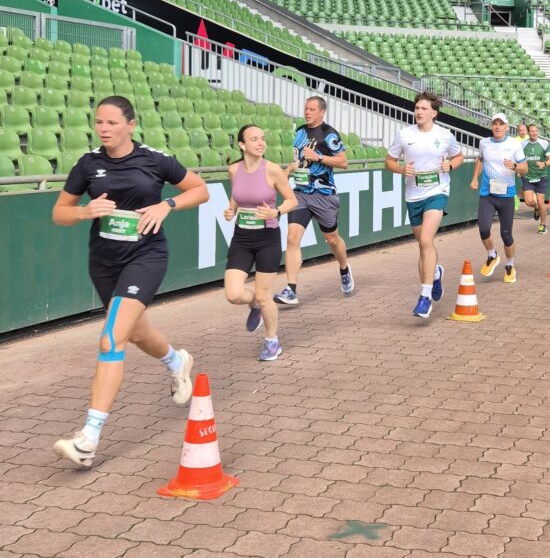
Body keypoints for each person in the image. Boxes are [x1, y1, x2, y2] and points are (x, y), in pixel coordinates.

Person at [51, 96, 209, 468]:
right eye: (99, 122)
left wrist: (166, 205)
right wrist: (85, 211)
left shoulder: (154, 159)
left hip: (146, 256)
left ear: (131, 125)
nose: (104, 129)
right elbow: (59, 213)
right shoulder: (88, 164)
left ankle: (88, 438)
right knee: (136, 332)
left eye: (112, 122)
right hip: (104, 262)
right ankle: (176, 361)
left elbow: (200, 190)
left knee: (111, 338)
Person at [224, 125, 298, 361]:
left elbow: (292, 200)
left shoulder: (273, 170)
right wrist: (231, 209)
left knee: (264, 295)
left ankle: (271, 341)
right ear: (242, 145)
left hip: (267, 238)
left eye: (262, 139)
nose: (260, 143)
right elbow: (237, 193)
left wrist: (276, 212)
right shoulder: (234, 170)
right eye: (254, 139)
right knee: (233, 294)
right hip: (242, 238)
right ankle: (254, 303)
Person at [385, 91, 463, 318]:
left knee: (427, 240)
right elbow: (389, 161)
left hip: (437, 192)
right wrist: (402, 169)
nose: (418, 112)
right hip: (413, 196)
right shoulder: (404, 134)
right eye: (417, 108)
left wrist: (451, 165)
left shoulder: (445, 135)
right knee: (423, 245)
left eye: (424, 108)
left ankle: (424, 297)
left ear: (434, 113)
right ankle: (435, 273)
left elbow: (458, 156)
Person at [274, 96, 352, 306]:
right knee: (292, 239)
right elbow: (298, 159)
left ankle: (344, 268)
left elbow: (343, 161)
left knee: (332, 239)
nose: (307, 112)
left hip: (323, 194)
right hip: (300, 193)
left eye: (312, 109)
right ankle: (291, 289)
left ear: (322, 112)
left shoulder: (329, 134)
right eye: (306, 108)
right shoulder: (300, 131)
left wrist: (319, 157)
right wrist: (288, 171)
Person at [470, 113, 527, 283]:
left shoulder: (514, 144)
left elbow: (525, 168)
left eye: (501, 124)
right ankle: (492, 255)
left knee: (506, 235)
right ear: (491, 126)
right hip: (487, 194)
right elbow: (480, 160)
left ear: (507, 127)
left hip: (506, 195)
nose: (497, 126)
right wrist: (474, 178)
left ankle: (510, 265)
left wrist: (514, 166)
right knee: (483, 229)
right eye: (494, 123)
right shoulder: (484, 143)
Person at [521, 122, 550, 234]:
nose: (534, 133)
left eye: (536, 131)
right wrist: (519, 170)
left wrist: (544, 163)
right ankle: (535, 208)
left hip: (541, 176)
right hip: (528, 176)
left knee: (541, 201)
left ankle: (542, 225)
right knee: (528, 201)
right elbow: (519, 159)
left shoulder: (544, 143)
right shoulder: (523, 144)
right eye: (532, 131)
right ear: (528, 132)